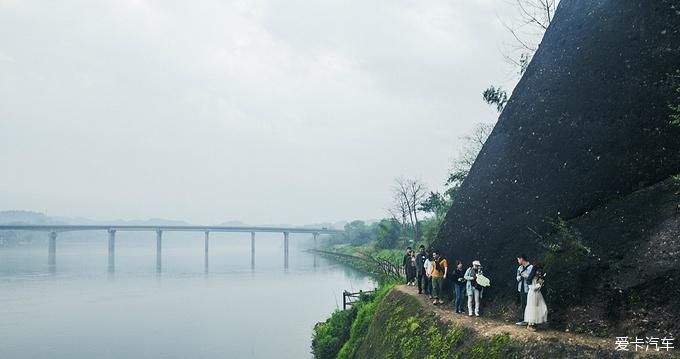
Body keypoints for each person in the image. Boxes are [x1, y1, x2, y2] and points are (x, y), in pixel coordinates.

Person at [524, 265, 547, 330]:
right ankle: (530, 325)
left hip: (538, 294)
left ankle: (534, 323)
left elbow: (538, 287)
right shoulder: (531, 277)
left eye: (540, 271)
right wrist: (539, 284)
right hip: (532, 294)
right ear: (535, 270)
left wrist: (541, 283)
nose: (539, 272)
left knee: (541, 307)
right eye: (538, 271)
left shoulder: (538, 277)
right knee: (532, 309)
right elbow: (532, 288)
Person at [515, 254, 533, 326]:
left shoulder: (531, 267)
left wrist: (525, 276)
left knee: (529, 305)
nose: (518, 261)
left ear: (522, 259)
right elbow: (517, 278)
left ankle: (529, 320)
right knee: (523, 304)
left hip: (529, 289)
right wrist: (520, 277)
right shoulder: (519, 268)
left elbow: (533, 277)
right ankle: (524, 319)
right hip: (521, 288)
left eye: (518, 259)